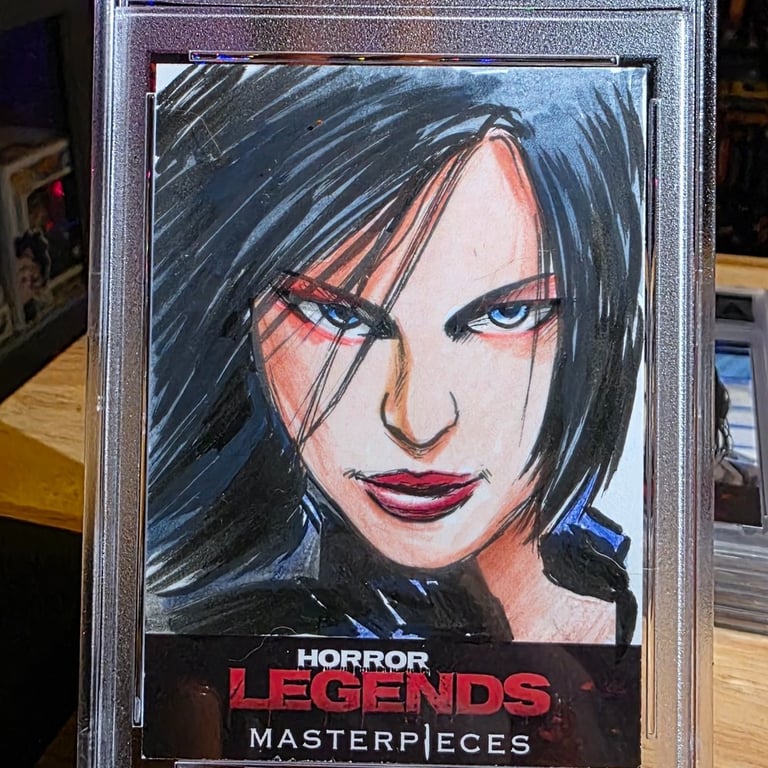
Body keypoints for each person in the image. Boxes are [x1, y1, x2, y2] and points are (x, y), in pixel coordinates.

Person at [145, 62, 645, 646]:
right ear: (236, 312)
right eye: (341, 317)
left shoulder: (631, 591)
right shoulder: (213, 637)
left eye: (507, 314)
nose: (418, 422)